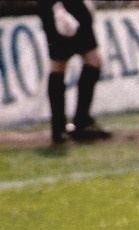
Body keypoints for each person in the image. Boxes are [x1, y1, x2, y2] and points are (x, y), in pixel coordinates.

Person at [37, 0, 111, 144]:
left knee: (65, 63)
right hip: (62, 4)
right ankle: (77, 123)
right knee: (67, 62)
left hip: (59, 4)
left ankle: (63, 127)